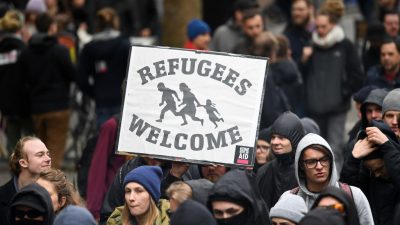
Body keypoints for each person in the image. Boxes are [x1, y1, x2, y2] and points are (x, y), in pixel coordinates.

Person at [301, 8, 363, 165]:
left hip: (337, 108)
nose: (320, 30)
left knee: (334, 149)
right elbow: (302, 75)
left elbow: (356, 74)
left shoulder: (345, 45)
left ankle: (335, 186)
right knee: (316, 148)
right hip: (315, 107)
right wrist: (304, 60)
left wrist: (343, 93)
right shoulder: (311, 45)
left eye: (324, 26)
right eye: (318, 26)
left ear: (333, 25)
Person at [19, 13, 75, 169]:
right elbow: (72, 74)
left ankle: (39, 186)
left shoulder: (26, 52)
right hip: (58, 107)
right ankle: (48, 189)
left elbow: (22, 79)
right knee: (54, 155)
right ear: (52, 27)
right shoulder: (60, 50)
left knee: (40, 153)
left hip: (36, 107)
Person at [287, 133, 374, 225]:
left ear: (331, 160)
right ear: (300, 165)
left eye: (324, 159)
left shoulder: (354, 196)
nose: (319, 166)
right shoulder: (289, 199)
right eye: (311, 162)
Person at [77, 7, 130, 128]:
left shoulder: (89, 48)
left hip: (101, 101)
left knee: (104, 141)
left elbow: (81, 78)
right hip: (122, 99)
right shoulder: (125, 45)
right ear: (116, 22)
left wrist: (94, 92)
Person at [340, 120, 400, 225]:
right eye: (372, 170)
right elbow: (348, 195)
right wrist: (352, 160)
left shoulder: (393, 158)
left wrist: (387, 146)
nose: (376, 174)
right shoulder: (367, 177)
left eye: (380, 168)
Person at [257, 111, 305, 210]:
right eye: (273, 137)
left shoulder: (305, 172)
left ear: (295, 140)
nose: (275, 142)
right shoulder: (264, 171)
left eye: (281, 138)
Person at [0, 9, 33, 153]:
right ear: (21, 28)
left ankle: (16, 173)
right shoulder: (25, 50)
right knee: (30, 142)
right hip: (25, 102)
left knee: (13, 145)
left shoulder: (1, 50)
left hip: (6, 103)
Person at [0, 136, 51, 225]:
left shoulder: (57, 194)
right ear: (23, 163)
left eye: (48, 154)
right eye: (40, 155)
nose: (48, 159)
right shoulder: (2, 197)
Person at [282, 0, 314, 66]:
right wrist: (302, 60)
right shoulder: (287, 36)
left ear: (310, 9)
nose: (296, 13)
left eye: (301, 9)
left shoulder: (320, 30)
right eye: (294, 10)